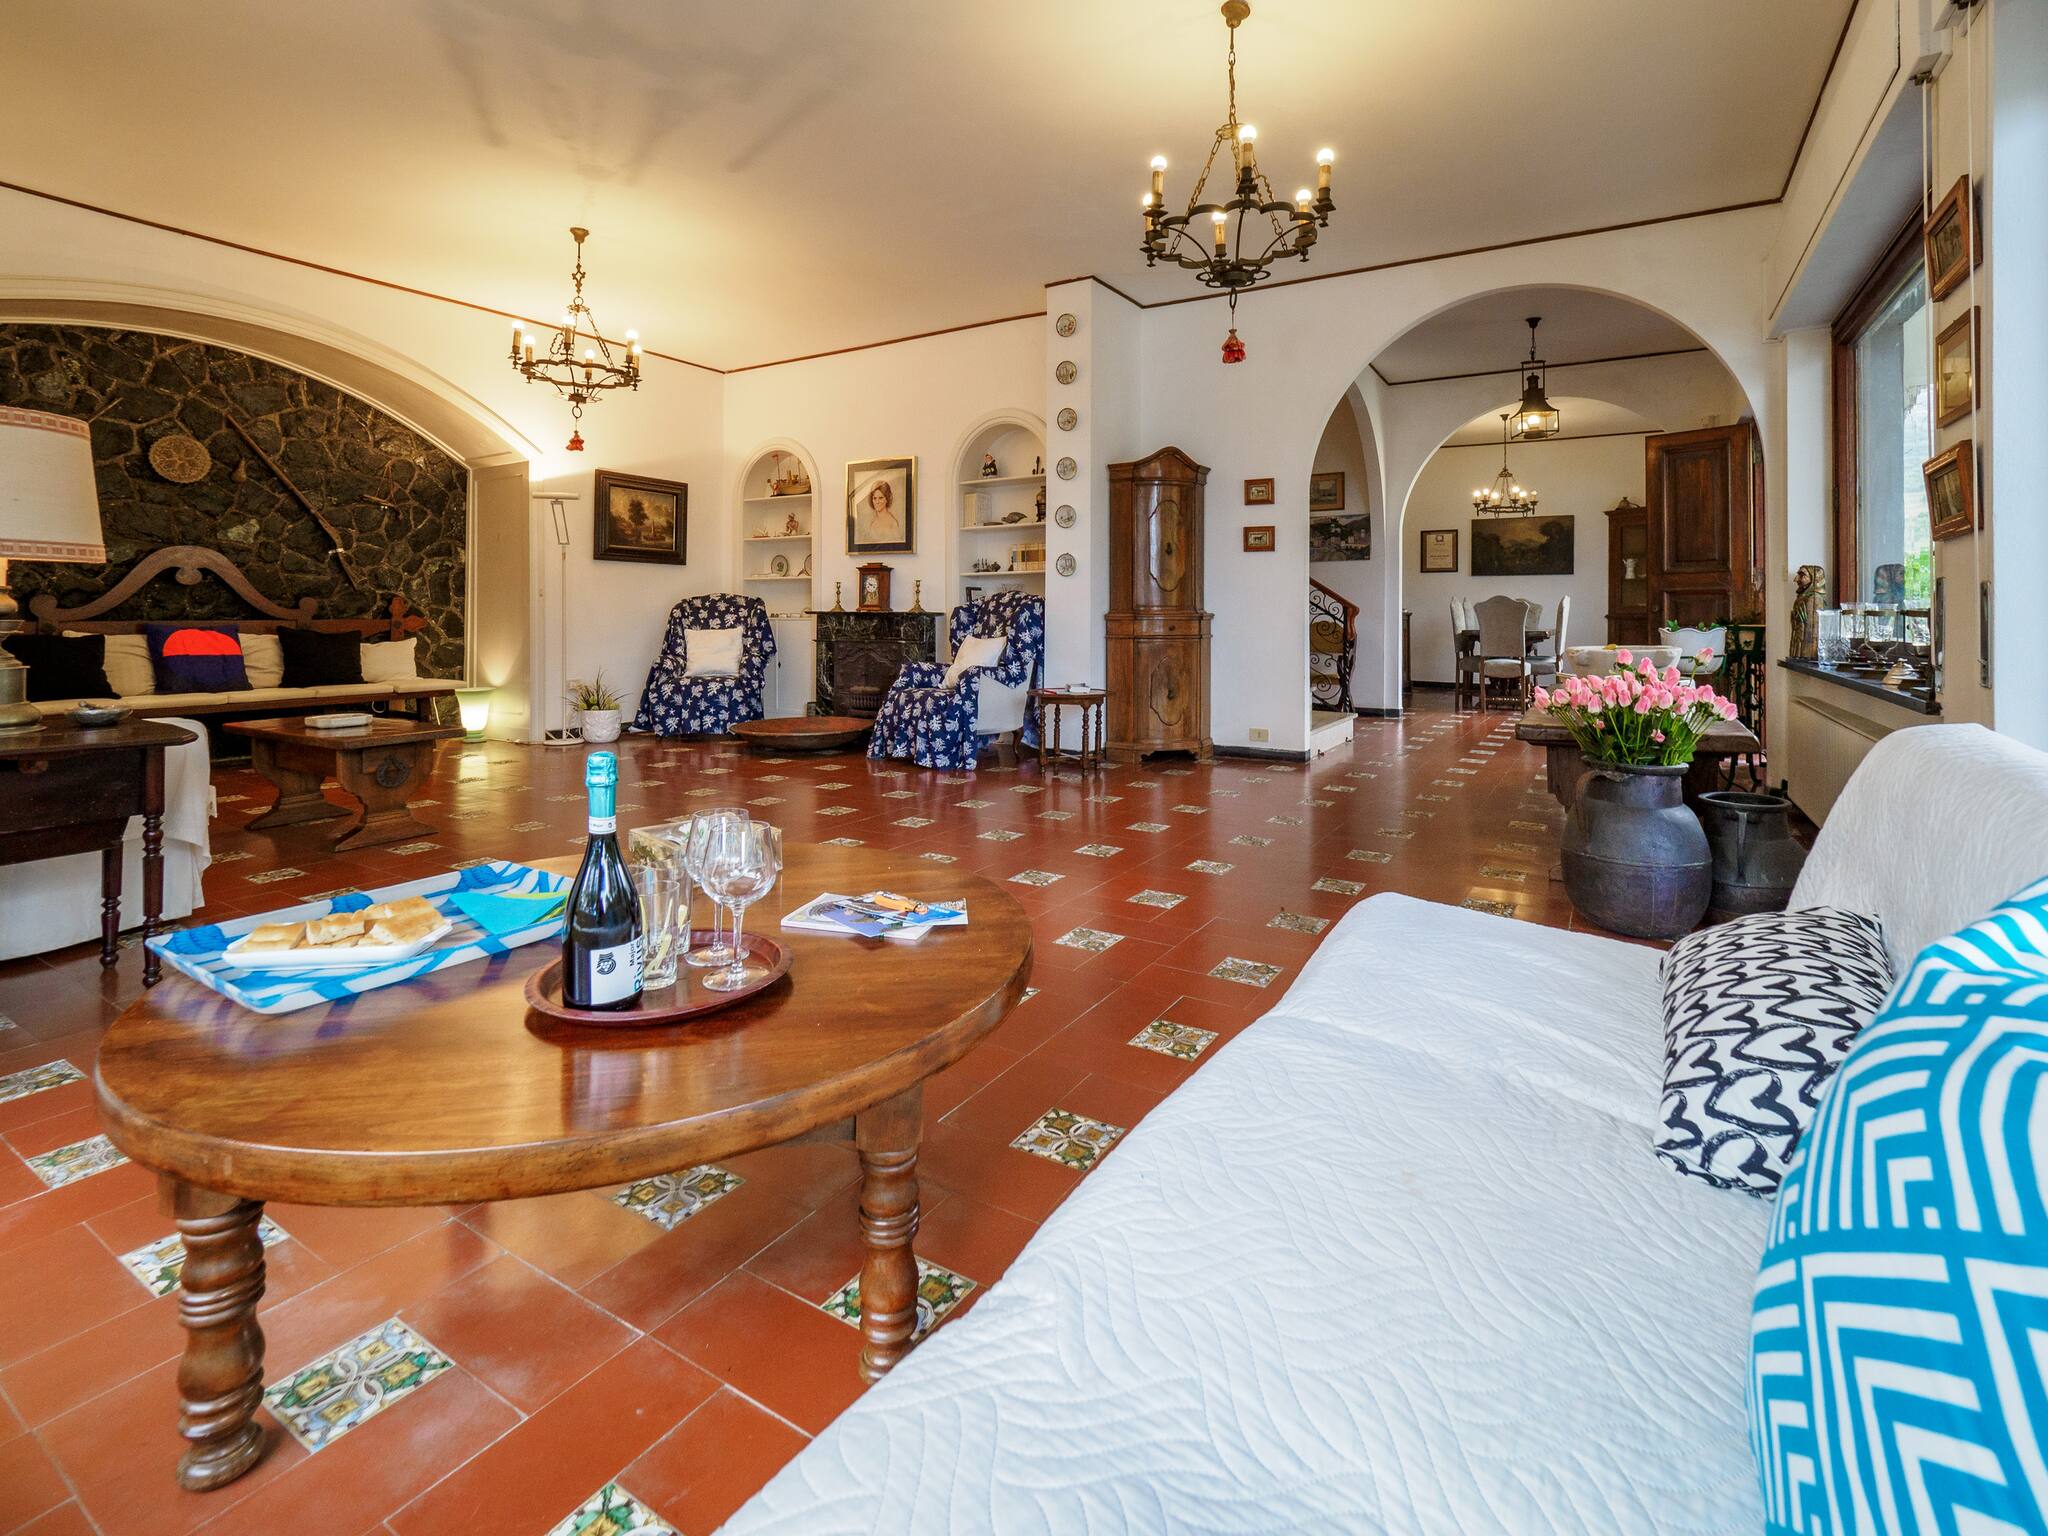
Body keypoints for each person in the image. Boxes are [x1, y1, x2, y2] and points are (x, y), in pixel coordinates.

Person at [859, 478, 903, 544]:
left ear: (887, 499)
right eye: (874, 498)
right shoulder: (873, 523)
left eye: (881, 498)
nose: (877, 502)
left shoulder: (892, 523)